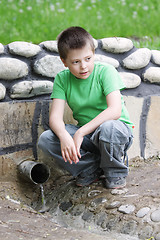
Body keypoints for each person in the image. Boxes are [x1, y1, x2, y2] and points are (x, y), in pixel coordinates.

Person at [38, 26, 134, 189]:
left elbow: (115, 111)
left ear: (94, 54)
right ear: (64, 62)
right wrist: (64, 136)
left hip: (116, 132)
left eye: (88, 59)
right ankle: (90, 168)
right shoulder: (62, 79)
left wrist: (81, 132)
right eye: (76, 62)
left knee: (109, 128)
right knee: (46, 139)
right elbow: (55, 117)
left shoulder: (106, 72)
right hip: (89, 137)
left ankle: (115, 171)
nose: (83, 66)